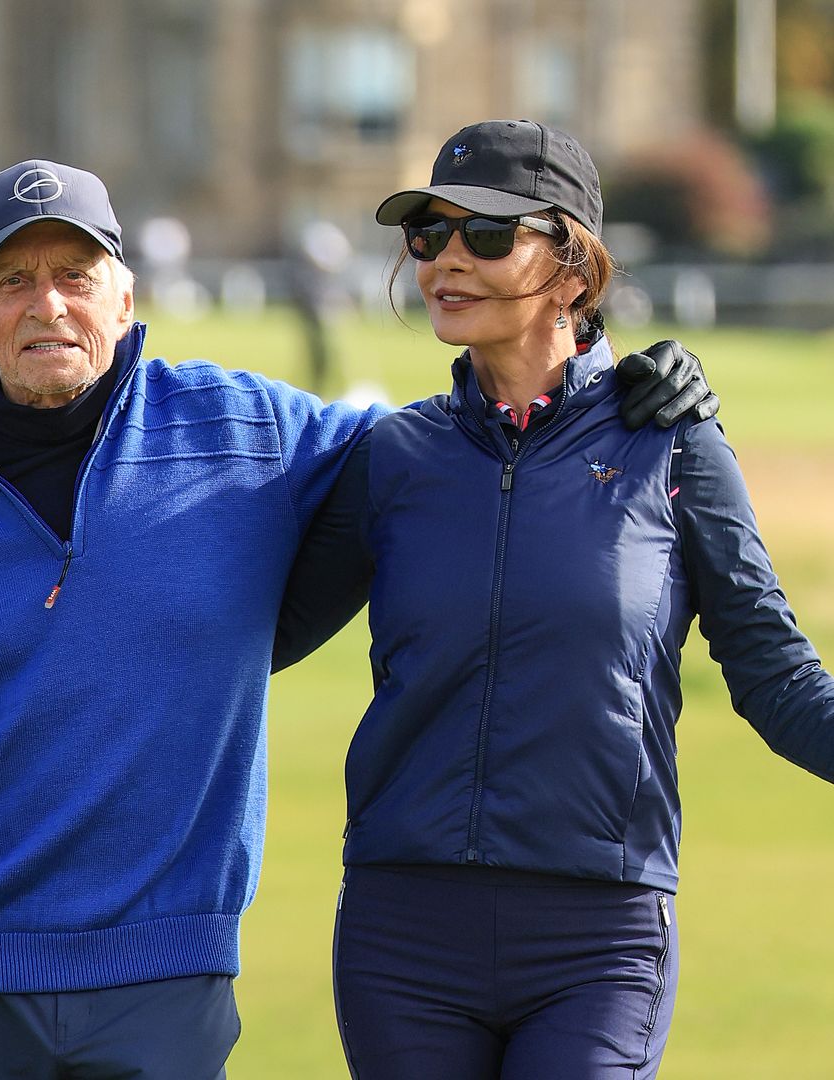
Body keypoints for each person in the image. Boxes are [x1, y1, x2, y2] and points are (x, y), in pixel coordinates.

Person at [0, 157, 713, 1080]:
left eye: (76, 276)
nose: (47, 305)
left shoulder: (247, 434)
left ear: (125, 300)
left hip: (163, 989)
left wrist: (611, 390)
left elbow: (459, 448)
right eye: (12, 281)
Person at [274, 119, 834, 1079]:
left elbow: (775, 673)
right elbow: (249, 635)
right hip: (402, 934)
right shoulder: (394, 455)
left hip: (599, 934)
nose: (448, 259)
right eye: (428, 234)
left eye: (488, 234)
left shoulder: (675, 445)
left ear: (575, 271)